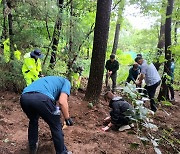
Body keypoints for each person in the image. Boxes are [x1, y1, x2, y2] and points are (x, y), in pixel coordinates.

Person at [20, 76, 73, 154]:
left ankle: (32, 147)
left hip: (24, 98)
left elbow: (52, 104)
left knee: (33, 120)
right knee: (55, 125)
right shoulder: (66, 82)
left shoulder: (49, 80)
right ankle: (62, 152)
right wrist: (67, 118)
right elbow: (62, 101)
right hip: (42, 98)